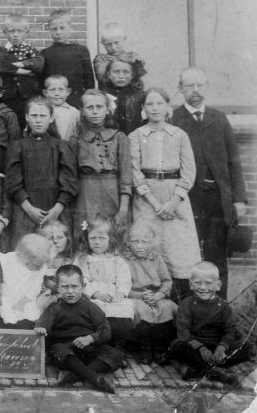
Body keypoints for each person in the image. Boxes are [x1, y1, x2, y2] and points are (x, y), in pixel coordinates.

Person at [172, 67, 247, 299]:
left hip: (217, 198)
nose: (195, 90)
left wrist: (239, 199)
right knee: (186, 255)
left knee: (217, 255)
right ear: (180, 89)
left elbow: (234, 161)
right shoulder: (174, 118)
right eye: (189, 85)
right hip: (189, 198)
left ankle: (219, 306)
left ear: (206, 87)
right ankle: (188, 307)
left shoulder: (219, 118)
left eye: (200, 85)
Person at [129, 87, 200, 302]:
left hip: (175, 198)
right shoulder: (135, 136)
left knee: (179, 252)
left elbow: (189, 171)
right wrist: (154, 202)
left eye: (160, 103)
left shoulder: (179, 135)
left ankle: (181, 307)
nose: (155, 108)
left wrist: (172, 202)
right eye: (149, 104)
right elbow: (134, 171)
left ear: (168, 106)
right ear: (143, 108)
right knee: (150, 247)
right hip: (146, 200)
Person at [34, 264, 123, 393]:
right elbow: (42, 323)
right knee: (57, 349)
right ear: (57, 288)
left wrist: (90, 338)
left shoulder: (90, 307)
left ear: (83, 287)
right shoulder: (54, 307)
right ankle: (95, 379)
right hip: (67, 353)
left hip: (89, 349)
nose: (70, 291)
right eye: (65, 287)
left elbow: (105, 331)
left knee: (116, 355)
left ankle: (73, 376)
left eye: (74, 286)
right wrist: (41, 328)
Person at [5, 97, 78, 251]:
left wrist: (56, 210)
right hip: (26, 209)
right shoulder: (17, 146)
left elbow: (70, 181)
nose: (38, 120)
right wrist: (29, 209)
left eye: (43, 116)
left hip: (55, 209)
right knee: (25, 252)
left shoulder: (61, 146)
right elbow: (12, 182)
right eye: (34, 116)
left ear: (51, 118)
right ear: (26, 117)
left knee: (55, 251)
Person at [171, 261, 249, 385]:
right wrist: (201, 348)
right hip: (194, 347)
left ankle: (195, 369)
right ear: (191, 285)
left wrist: (221, 348)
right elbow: (183, 332)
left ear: (218, 285)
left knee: (246, 347)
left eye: (208, 283)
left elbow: (229, 331)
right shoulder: (186, 304)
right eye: (198, 283)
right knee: (177, 346)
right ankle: (218, 375)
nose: (202, 287)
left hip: (216, 347)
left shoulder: (224, 306)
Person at [73, 89, 132, 245]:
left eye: (99, 107)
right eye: (89, 107)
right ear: (82, 111)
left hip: (112, 192)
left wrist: (124, 207)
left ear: (107, 110)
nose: (94, 112)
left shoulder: (119, 137)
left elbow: (126, 175)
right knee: (86, 236)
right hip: (86, 191)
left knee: (115, 236)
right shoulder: (77, 139)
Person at [123, 220, 177, 365]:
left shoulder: (157, 259)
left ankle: (160, 348)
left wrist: (159, 295)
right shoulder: (125, 261)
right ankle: (144, 348)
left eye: (144, 242)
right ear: (128, 243)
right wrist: (139, 295)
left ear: (152, 242)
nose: (140, 246)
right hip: (136, 296)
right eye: (135, 241)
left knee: (167, 308)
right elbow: (122, 287)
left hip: (157, 295)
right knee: (141, 311)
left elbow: (167, 281)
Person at [75, 216, 134, 349]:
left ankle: (117, 346)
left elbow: (124, 281)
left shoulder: (117, 260)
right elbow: (80, 280)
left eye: (102, 238)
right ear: (86, 239)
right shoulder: (83, 259)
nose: (97, 242)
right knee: (92, 313)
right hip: (92, 297)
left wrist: (119, 295)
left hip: (113, 296)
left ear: (110, 239)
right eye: (93, 238)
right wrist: (94, 294)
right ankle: (98, 344)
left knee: (123, 310)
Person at [0, 13, 45, 128]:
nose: (15, 35)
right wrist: (24, 71)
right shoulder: (1, 51)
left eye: (20, 31)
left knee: (27, 125)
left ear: (26, 32)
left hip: (29, 97)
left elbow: (39, 63)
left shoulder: (31, 50)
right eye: (11, 31)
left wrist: (21, 63)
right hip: (8, 98)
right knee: (9, 126)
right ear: (5, 32)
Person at [40, 9, 95, 108]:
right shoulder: (45, 53)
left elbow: (89, 81)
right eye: (54, 29)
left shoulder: (81, 50)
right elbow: (41, 82)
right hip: (53, 102)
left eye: (62, 28)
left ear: (70, 28)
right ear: (49, 30)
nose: (58, 32)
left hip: (76, 100)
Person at [0, 234, 52, 329]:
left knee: (28, 318)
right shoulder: (6, 261)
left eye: (41, 266)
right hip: (2, 300)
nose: (38, 269)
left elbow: (32, 293)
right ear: (26, 257)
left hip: (23, 303)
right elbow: (0, 289)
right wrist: (9, 308)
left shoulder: (41, 267)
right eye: (36, 265)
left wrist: (18, 307)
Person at [101, 58, 147, 135]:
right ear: (109, 74)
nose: (121, 76)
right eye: (116, 72)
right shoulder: (102, 96)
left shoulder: (142, 96)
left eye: (126, 72)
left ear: (132, 75)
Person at [43, 74, 79, 143]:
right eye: (52, 90)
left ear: (68, 92)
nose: (57, 93)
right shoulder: (41, 111)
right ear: (45, 93)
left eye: (61, 89)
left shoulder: (74, 112)